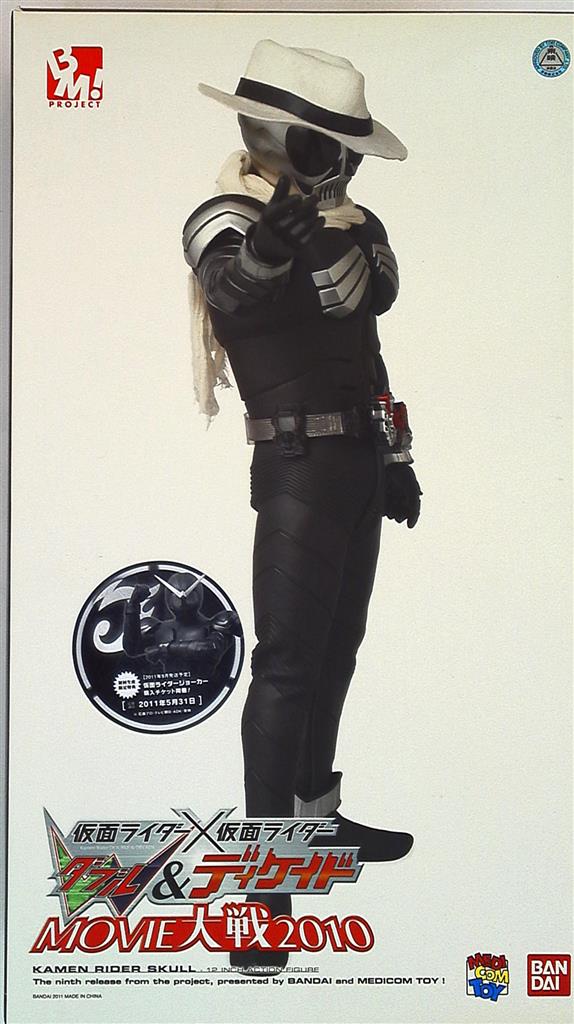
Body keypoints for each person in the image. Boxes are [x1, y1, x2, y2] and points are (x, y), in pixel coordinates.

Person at [183, 39, 422, 972]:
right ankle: (263, 874)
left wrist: (395, 455)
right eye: (331, 144)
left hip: (354, 460)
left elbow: (367, 335)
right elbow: (232, 292)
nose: (346, 165)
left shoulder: (352, 222)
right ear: (278, 134)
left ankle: (315, 820)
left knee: (336, 652)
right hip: (294, 467)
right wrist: (270, 247)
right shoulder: (226, 216)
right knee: (287, 665)